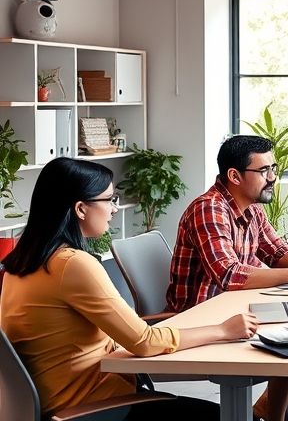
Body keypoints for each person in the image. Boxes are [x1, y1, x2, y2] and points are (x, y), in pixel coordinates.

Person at [0, 158, 258, 419]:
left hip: (60, 405)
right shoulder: (72, 265)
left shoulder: (19, 264)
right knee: (238, 417)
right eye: (109, 200)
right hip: (95, 408)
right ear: (80, 209)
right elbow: (144, 342)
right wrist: (224, 329)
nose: (114, 209)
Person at [166, 135, 288, 421]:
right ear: (234, 175)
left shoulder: (252, 208)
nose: (272, 178)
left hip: (236, 311)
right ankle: (265, 414)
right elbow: (228, 274)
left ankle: (264, 413)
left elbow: (277, 252)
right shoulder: (209, 209)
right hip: (200, 319)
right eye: (264, 170)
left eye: (273, 168)